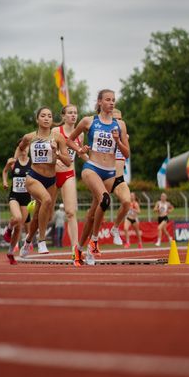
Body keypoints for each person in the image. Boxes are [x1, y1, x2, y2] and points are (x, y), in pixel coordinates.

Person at [66, 89, 130, 266]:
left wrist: (117, 142)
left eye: (113, 100)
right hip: (92, 168)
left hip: (109, 173)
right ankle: (94, 242)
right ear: (100, 102)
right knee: (105, 199)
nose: (111, 103)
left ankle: (79, 250)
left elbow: (127, 153)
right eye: (108, 100)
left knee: (92, 215)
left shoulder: (120, 125)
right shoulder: (89, 121)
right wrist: (80, 150)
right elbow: (69, 140)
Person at [19, 106, 71, 256]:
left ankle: (27, 241)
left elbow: (68, 161)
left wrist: (57, 154)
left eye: (49, 115)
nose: (47, 118)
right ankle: (41, 241)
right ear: (37, 119)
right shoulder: (29, 137)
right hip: (33, 176)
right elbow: (20, 147)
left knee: (43, 216)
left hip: (51, 180)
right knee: (46, 200)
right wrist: (17, 160)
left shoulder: (58, 138)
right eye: (43, 115)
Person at [51, 104, 86, 254]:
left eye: (75, 113)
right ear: (63, 116)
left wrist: (92, 162)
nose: (73, 115)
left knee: (71, 212)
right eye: (70, 113)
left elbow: (80, 153)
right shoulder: (55, 131)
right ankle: (29, 240)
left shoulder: (80, 134)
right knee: (45, 213)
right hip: (52, 174)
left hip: (69, 173)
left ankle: (75, 249)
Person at [2, 142, 32, 265]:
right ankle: (8, 229)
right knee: (18, 218)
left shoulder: (33, 163)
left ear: (29, 149)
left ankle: (10, 252)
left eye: (26, 147)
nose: (24, 150)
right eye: (22, 148)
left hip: (26, 198)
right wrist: (5, 182)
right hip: (14, 196)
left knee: (19, 227)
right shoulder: (13, 162)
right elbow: (4, 171)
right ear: (18, 149)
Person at [109, 108, 132, 247]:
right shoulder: (103, 137)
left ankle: (115, 228)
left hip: (118, 179)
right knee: (96, 211)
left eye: (120, 119)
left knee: (127, 202)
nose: (118, 122)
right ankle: (90, 241)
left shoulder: (124, 138)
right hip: (104, 177)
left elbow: (127, 153)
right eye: (115, 119)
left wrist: (120, 141)